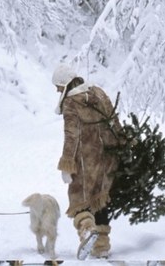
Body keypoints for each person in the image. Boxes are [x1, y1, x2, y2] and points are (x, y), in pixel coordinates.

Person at [52, 63, 122, 259]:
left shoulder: (71, 102)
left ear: (66, 83)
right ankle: (101, 247)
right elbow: (114, 120)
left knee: (79, 200)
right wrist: (122, 145)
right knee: (100, 198)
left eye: (58, 86)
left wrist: (67, 164)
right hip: (107, 156)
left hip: (85, 160)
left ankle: (87, 231)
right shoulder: (98, 92)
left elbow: (71, 136)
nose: (57, 90)